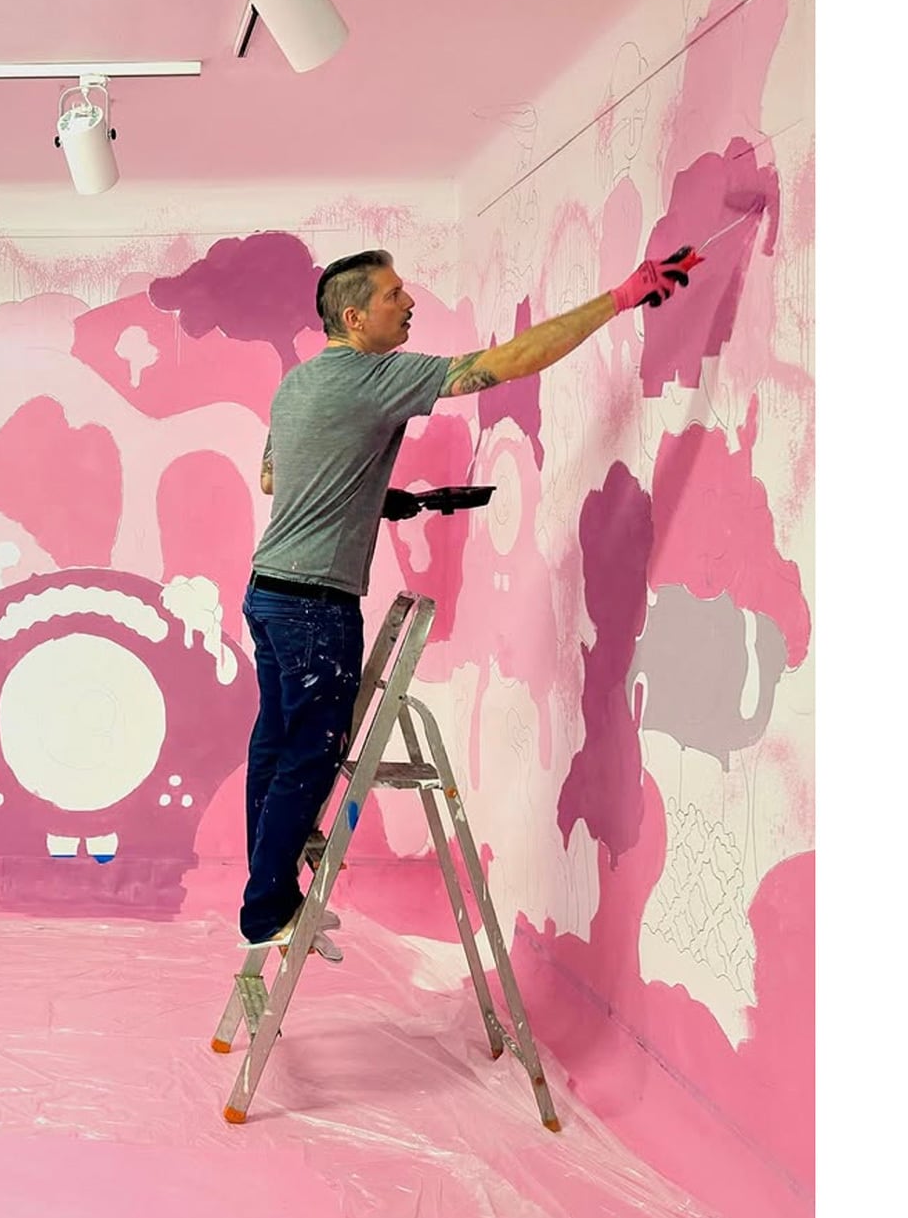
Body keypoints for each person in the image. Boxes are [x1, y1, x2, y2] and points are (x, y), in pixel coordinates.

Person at [238, 245, 698, 953]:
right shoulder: (375, 374)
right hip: (314, 606)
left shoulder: (296, 385)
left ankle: (265, 892)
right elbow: (508, 362)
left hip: (268, 591)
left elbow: (277, 477)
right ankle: (267, 911)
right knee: (311, 751)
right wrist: (621, 296)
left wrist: (374, 498)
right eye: (394, 295)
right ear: (355, 317)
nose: (409, 303)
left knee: (275, 741)